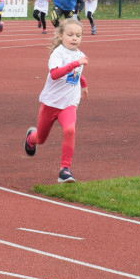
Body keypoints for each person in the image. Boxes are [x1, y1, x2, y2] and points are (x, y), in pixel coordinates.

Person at [23, 16, 89, 183]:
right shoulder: (57, 53)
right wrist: (75, 64)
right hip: (51, 103)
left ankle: (65, 170)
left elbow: (76, 74)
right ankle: (31, 138)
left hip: (69, 103)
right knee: (41, 139)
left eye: (78, 35)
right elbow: (55, 74)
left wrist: (84, 82)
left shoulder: (80, 55)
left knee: (70, 130)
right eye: (70, 34)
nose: (74, 38)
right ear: (61, 36)